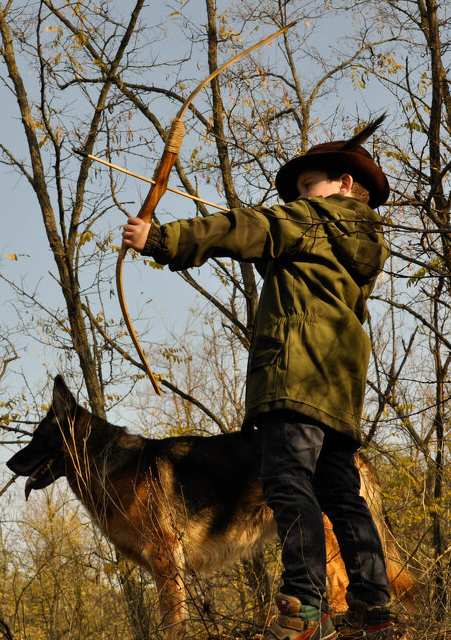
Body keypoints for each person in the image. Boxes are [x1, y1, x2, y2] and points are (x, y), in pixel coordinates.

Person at [121, 115, 398, 640]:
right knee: (341, 493)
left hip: (294, 379)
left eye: (307, 184)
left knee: (287, 482)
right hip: (338, 388)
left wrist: (160, 239)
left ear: (343, 184)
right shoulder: (363, 243)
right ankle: (372, 608)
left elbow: (245, 228)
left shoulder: (313, 221)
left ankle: (305, 609)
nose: (300, 195)